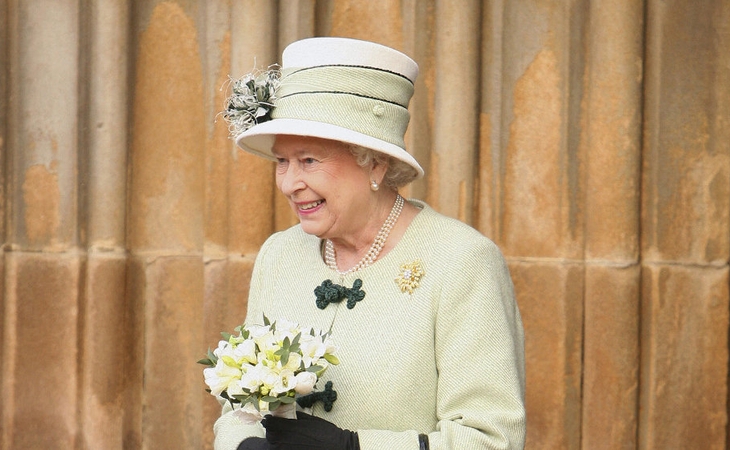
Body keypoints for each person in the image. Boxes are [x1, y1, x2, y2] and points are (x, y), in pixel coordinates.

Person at [212, 36, 526, 450]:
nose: (289, 183)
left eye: (309, 160)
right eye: (282, 162)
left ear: (374, 162)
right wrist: (242, 444)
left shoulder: (462, 261)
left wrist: (355, 447)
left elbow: (491, 439)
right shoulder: (279, 254)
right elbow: (239, 406)